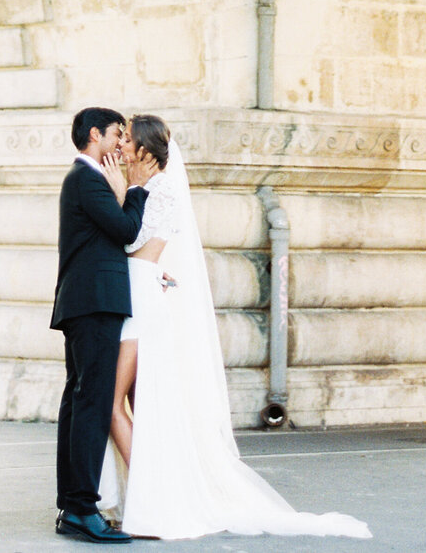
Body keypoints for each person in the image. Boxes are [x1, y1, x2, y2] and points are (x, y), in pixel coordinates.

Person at [98, 114, 371, 541]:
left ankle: (159, 500)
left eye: (128, 140)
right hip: (140, 294)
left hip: (136, 300)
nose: (122, 146)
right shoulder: (150, 189)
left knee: (110, 402)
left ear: (146, 152)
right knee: (138, 402)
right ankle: (147, 496)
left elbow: (129, 242)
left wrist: (121, 193)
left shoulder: (152, 191)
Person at [52, 106, 152, 545]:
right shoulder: (87, 178)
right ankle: (80, 509)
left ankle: (73, 507)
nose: (120, 142)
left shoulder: (86, 180)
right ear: (96, 134)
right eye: (116, 133)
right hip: (93, 303)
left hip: (86, 303)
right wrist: (135, 189)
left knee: (79, 403)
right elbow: (126, 230)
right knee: (89, 404)